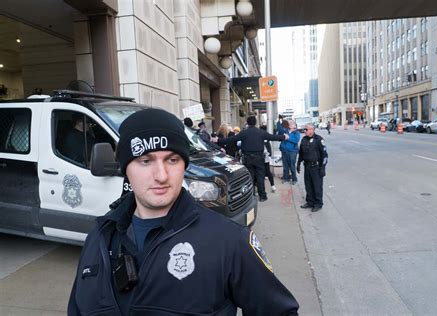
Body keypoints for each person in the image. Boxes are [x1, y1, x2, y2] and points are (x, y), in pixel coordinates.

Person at [68, 108, 299, 315]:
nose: (161, 175)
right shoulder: (99, 238)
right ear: (125, 167)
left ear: (184, 165)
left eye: (172, 160)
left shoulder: (228, 242)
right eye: (145, 161)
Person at [215, 116, 288, 202]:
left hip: (247, 158)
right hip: (259, 158)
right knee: (260, 177)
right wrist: (283, 137)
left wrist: (218, 140)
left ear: (248, 123)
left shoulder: (243, 133)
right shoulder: (260, 132)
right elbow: (272, 137)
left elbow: (231, 139)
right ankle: (262, 196)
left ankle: (251, 195)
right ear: (255, 122)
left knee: (250, 177)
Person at [297, 123, 328, 212]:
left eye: (306, 129)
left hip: (316, 167)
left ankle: (318, 203)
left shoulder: (319, 139)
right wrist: (298, 163)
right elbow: (301, 153)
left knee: (317, 186)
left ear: (311, 130)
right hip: (307, 166)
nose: (304, 131)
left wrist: (323, 168)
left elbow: (325, 155)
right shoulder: (304, 139)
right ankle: (310, 202)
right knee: (308, 185)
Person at [277, 120, 300, 185]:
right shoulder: (286, 131)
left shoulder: (296, 133)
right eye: (289, 124)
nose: (289, 125)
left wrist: (288, 138)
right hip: (284, 151)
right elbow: (280, 133)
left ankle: (294, 179)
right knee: (285, 166)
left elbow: (296, 140)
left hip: (292, 152)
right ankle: (286, 178)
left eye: (290, 124)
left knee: (292, 166)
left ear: (294, 126)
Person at [260, 125, 277, 192]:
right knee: (267, 171)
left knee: (264, 172)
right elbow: (269, 148)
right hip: (265, 157)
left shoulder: (262, 137)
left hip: (263, 157)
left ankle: (271, 185)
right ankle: (272, 185)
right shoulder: (266, 136)